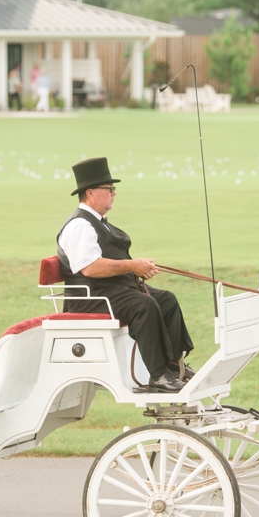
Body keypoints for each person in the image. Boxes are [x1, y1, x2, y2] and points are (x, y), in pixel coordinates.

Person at [56, 157, 195, 392]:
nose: (114, 193)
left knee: (167, 300)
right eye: (109, 189)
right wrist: (132, 267)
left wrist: (137, 267)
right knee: (144, 305)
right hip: (91, 298)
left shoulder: (98, 222)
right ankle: (158, 375)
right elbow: (89, 268)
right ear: (90, 193)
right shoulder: (80, 225)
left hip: (112, 290)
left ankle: (174, 366)